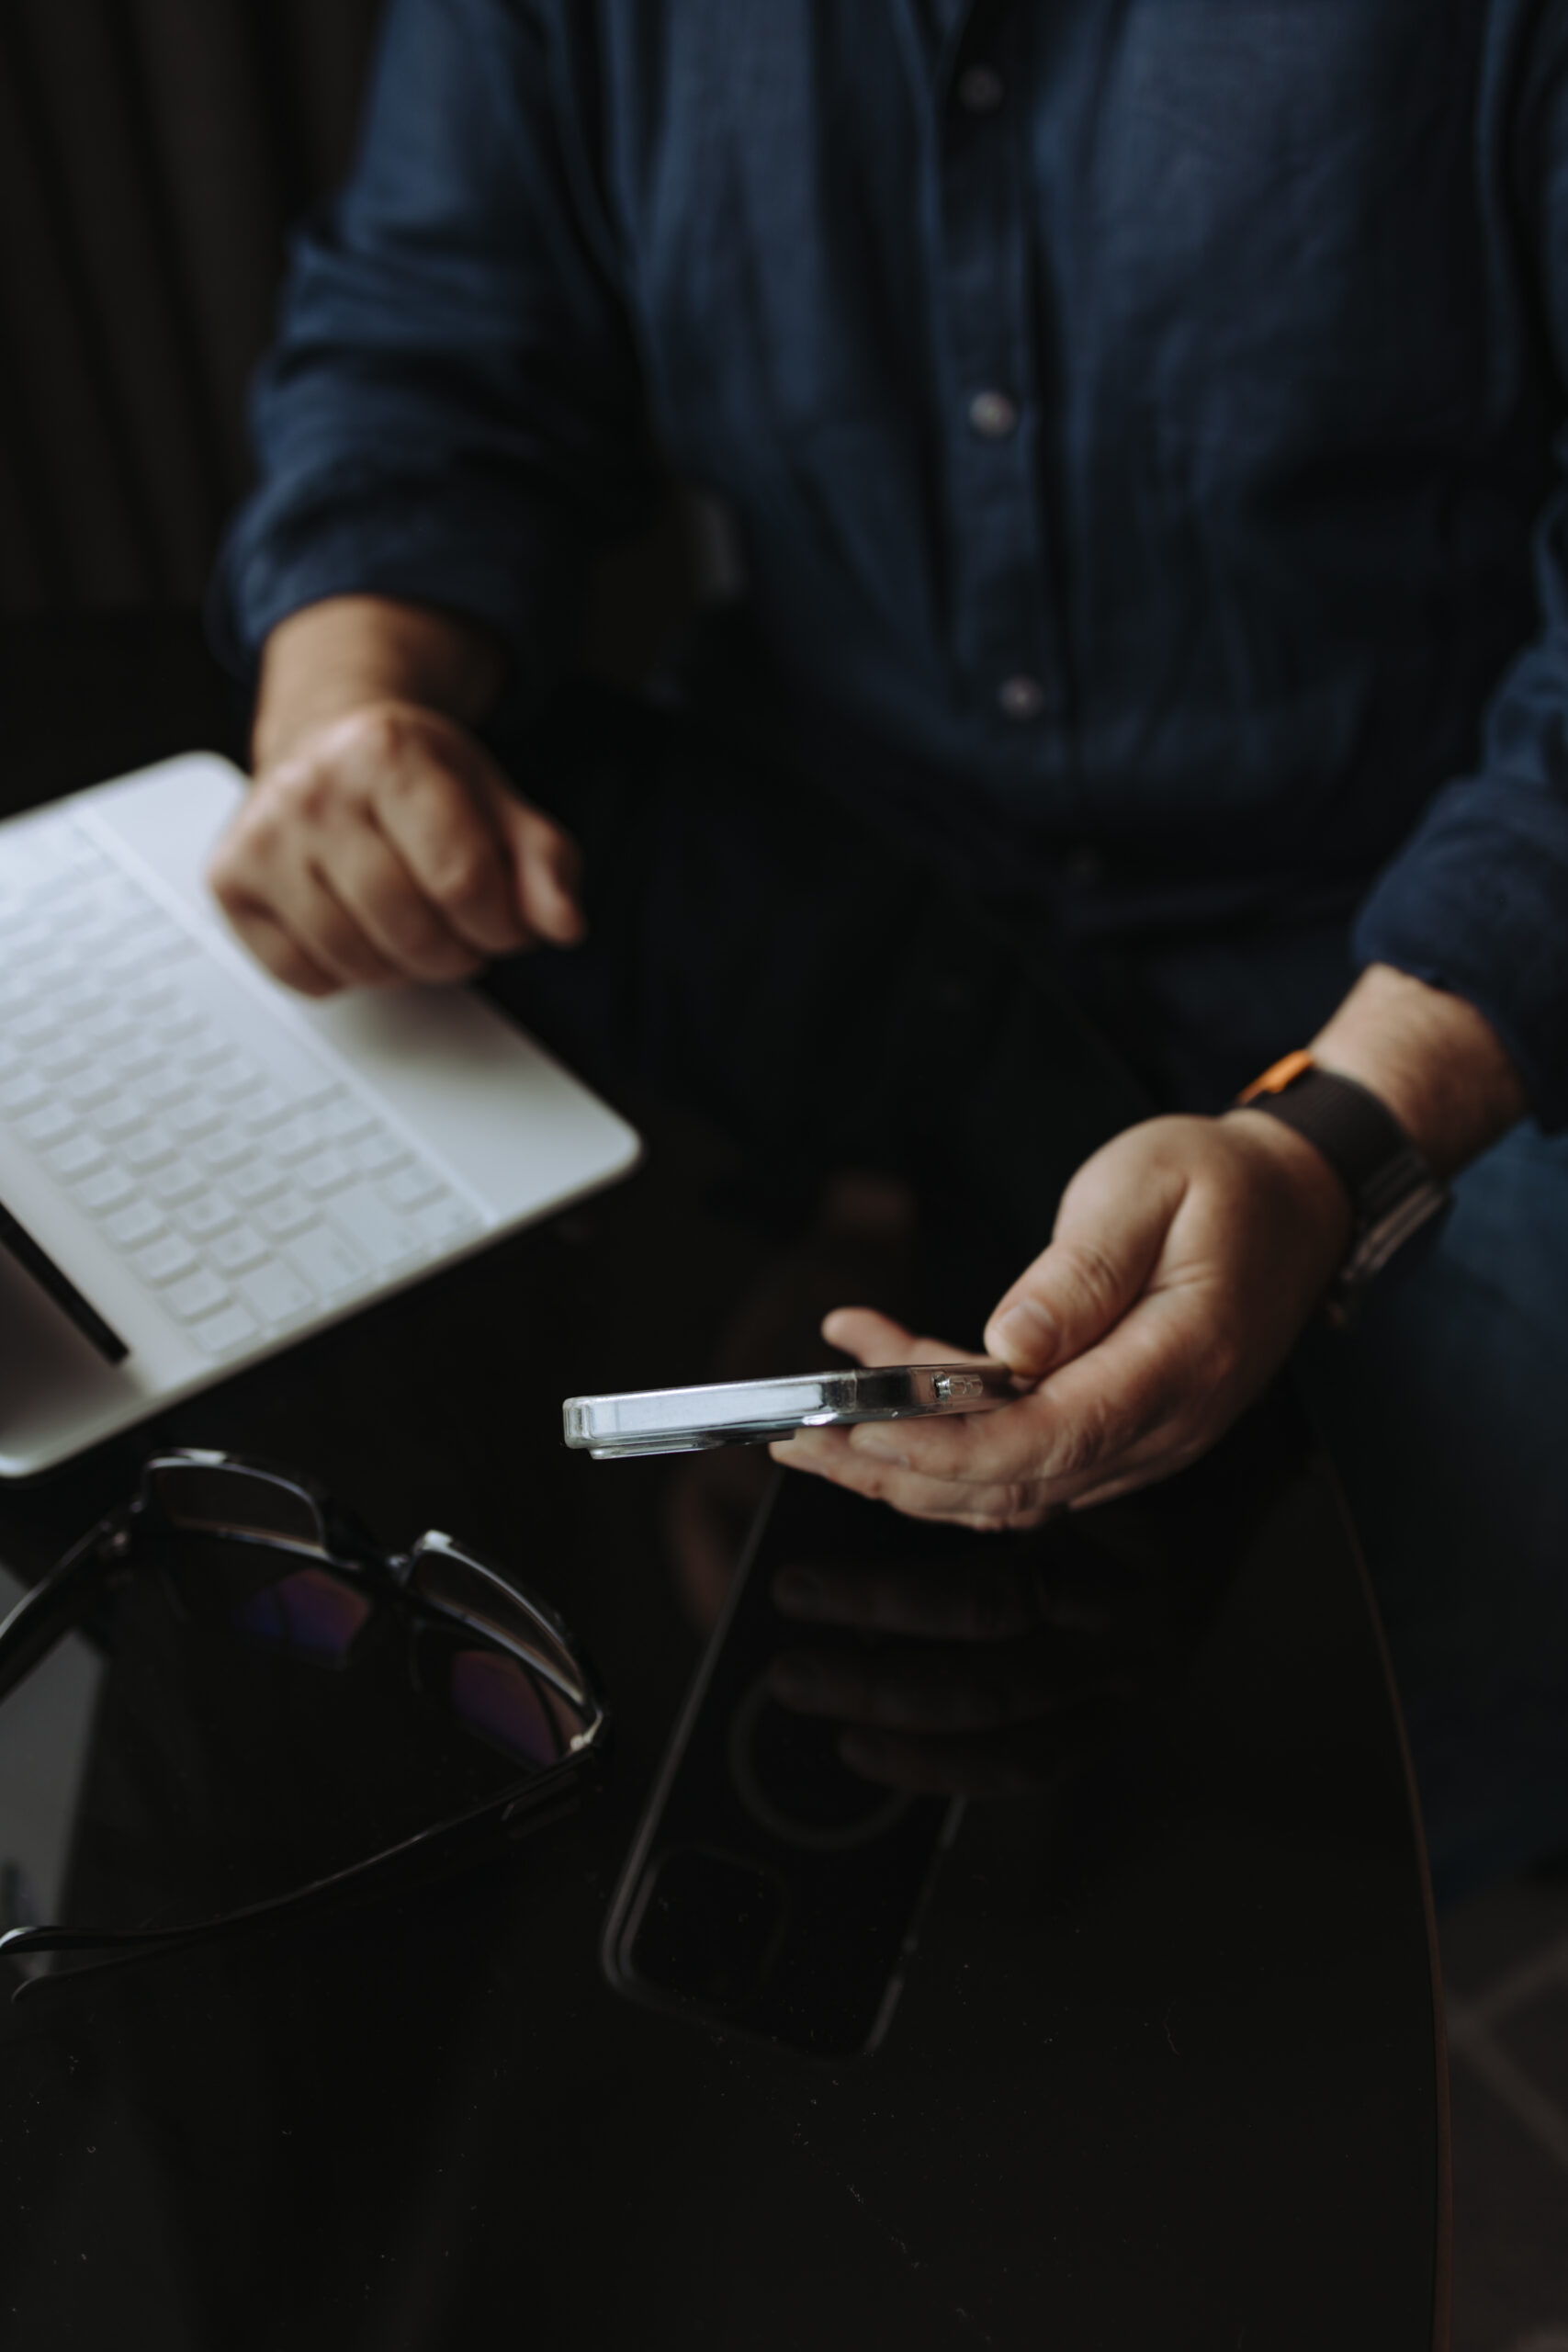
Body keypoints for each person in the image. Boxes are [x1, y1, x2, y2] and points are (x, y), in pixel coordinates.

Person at [207, 0, 1568, 1904]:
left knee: (1454, 1681)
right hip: (843, 857)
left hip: (1389, 940)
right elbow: (429, 338)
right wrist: (349, 720)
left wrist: (1329, 1149)